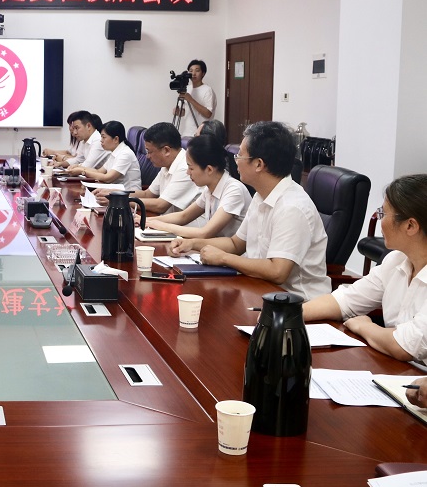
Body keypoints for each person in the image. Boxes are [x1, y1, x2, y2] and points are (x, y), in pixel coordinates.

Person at [169, 121, 330, 300]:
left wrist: (223, 258)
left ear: (259, 164)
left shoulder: (292, 207)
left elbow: (277, 271)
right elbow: (236, 244)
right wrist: (191, 244)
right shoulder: (261, 195)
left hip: (296, 304)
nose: (236, 161)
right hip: (258, 289)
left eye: (240, 155)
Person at [303, 174, 427, 361]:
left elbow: (404, 346)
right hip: (399, 368)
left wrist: (364, 326)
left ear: (410, 226)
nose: (380, 221)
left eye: (383, 214)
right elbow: (346, 301)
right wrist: (291, 314)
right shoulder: (396, 260)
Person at [144, 135, 251, 238]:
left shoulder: (234, 190)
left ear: (209, 169)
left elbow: (204, 233)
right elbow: (184, 216)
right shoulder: (210, 189)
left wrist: (161, 226)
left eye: (191, 168)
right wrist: (147, 220)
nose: (187, 172)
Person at [99, 122, 199, 214]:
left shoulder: (184, 168)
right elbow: (147, 194)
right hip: (166, 221)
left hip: (182, 226)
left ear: (166, 150)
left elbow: (160, 205)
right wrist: (116, 193)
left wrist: (119, 201)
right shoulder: (167, 165)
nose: (147, 156)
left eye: (149, 151)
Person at [68, 121, 141, 191]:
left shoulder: (125, 154)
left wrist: (82, 171)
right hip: (115, 191)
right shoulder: (115, 152)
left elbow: (108, 178)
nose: (101, 140)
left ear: (116, 139)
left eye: (103, 137)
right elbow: (99, 171)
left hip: (128, 195)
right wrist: (79, 167)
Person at [174, 59, 216, 137]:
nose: (193, 73)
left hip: (202, 134)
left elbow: (208, 114)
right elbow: (183, 112)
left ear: (203, 73)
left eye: (197, 71)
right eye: (191, 71)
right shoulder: (187, 89)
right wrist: (177, 111)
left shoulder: (207, 90)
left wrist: (190, 99)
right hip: (187, 133)